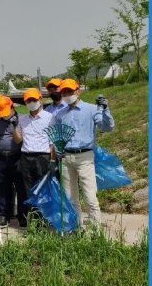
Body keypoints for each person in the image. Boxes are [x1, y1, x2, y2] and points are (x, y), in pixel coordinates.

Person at [54, 78, 115, 229]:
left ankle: (96, 231)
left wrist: (105, 109)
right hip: (66, 157)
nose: (67, 94)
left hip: (85, 157)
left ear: (78, 91)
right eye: (64, 92)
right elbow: (57, 136)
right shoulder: (60, 114)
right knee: (70, 197)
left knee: (90, 196)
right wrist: (57, 151)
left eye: (70, 91)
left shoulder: (92, 109)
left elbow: (107, 128)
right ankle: (76, 229)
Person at [14, 88, 56, 226]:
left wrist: (52, 160)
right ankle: (33, 223)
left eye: (34, 99)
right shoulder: (22, 119)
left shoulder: (49, 117)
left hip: (43, 157)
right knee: (29, 191)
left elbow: (52, 142)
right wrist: (13, 127)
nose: (31, 102)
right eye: (28, 100)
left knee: (43, 190)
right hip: (26, 157)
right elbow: (18, 140)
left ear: (40, 100)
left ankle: (44, 222)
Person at [0, 97, 27, 228]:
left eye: (6, 112)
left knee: (21, 188)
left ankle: (22, 216)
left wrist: (23, 158)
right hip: (0, 157)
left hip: (17, 156)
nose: (4, 116)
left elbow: (22, 140)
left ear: (12, 108)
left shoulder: (22, 119)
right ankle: (3, 215)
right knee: (1, 187)